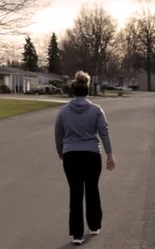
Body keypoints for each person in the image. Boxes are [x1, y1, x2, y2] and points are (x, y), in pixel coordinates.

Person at [55, 71, 116, 245]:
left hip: (71, 155)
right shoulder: (96, 110)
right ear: (87, 91)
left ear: (73, 91)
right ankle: (94, 224)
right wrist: (110, 154)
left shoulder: (63, 111)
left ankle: (77, 234)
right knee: (92, 189)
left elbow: (58, 135)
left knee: (75, 193)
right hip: (91, 155)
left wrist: (62, 152)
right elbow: (104, 133)